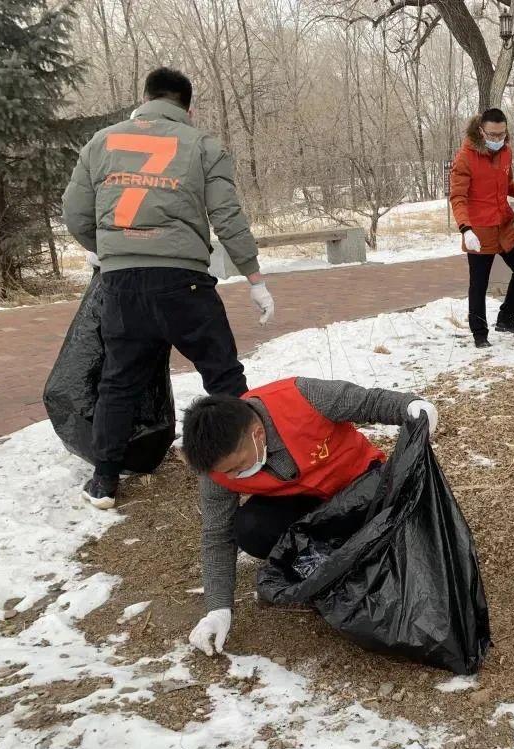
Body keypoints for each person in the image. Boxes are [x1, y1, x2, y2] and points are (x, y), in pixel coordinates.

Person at [62, 67, 274, 510]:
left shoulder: (102, 141)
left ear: (145, 98)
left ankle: (104, 480)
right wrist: (254, 278)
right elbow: (228, 216)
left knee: (118, 381)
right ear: (187, 107)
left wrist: (107, 250)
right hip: (184, 283)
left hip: (122, 285)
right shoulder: (202, 144)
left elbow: (75, 212)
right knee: (222, 373)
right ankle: (251, 464)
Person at [180, 376, 438, 656]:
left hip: (361, 486)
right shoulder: (215, 470)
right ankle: (325, 569)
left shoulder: (302, 398)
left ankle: (363, 551)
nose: (231, 477)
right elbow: (217, 534)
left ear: (257, 433)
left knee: (397, 536)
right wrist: (218, 609)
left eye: (237, 466)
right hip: (304, 507)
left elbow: (370, 402)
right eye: (225, 472)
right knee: (251, 528)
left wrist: (412, 407)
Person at [449, 108, 514, 349]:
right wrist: (466, 229)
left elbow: (507, 184)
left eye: (502, 134)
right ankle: (479, 333)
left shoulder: (506, 152)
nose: (498, 140)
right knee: (479, 283)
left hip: (504, 226)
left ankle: (506, 318)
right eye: (493, 135)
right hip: (479, 231)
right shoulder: (465, 157)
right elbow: (458, 197)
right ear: (481, 131)